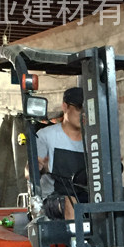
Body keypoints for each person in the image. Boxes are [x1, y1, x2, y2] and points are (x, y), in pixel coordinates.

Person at [36, 87, 86, 219]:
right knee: (71, 202)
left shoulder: (93, 140)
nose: (83, 114)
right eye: (79, 108)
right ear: (65, 106)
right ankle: (75, 233)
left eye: (87, 109)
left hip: (86, 195)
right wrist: (38, 168)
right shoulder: (46, 136)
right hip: (53, 199)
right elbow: (29, 172)